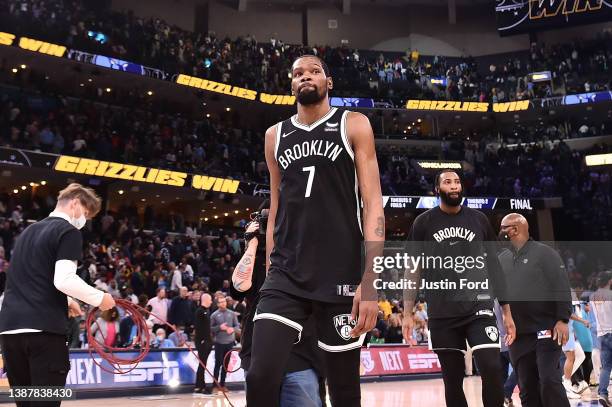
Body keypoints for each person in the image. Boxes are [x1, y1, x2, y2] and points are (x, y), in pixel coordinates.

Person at [246, 54, 384, 407]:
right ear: (291, 85)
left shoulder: (354, 124)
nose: (305, 76)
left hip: (341, 273)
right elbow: (276, 207)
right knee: (260, 374)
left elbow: (373, 205)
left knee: (344, 391)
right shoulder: (274, 136)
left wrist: (371, 279)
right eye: (297, 73)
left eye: (314, 71)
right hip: (287, 272)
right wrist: (269, 274)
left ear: (328, 81)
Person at [403, 170, 515, 407]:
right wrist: (407, 313)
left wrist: (506, 311)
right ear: (437, 189)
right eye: (447, 182)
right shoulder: (423, 223)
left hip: (479, 305)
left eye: (457, 182)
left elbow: (495, 267)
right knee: (452, 380)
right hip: (443, 311)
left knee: (492, 367)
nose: (454, 186)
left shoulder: (479, 219)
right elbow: (413, 270)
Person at [0, 183, 115, 406]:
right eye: (86, 213)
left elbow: (31, 278)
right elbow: (64, 279)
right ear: (75, 203)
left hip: (10, 333)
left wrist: (67, 300)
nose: (84, 221)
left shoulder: (27, 232)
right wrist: (100, 298)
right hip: (43, 334)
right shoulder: (67, 231)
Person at [231, 202, 325, 406]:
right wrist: (252, 244)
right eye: (266, 220)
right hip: (257, 354)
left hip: (301, 358)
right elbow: (239, 287)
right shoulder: (254, 255)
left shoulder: (306, 250)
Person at [498, 213, 572, 406]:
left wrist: (563, 320)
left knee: (549, 381)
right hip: (518, 335)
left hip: (546, 329)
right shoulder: (501, 259)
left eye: (504, 228)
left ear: (515, 229)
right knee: (527, 387)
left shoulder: (545, 253)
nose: (501, 232)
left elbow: (561, 287)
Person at [210, 295, 240, 393]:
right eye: (221, 302)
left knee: (225, 365)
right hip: (219, 343)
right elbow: (210, 329)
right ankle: (215, 385)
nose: (223, 303)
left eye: (224, 301)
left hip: (229, 343)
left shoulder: (232, 314)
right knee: (217, 364)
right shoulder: (214, 315)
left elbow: (237, 326)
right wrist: (219, 327)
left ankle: (223, 385)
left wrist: (233, 329)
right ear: (217, 304)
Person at [590, 273, 612, 407]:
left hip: (602, 334)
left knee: (606, 367)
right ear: (609, 281)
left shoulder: (593, 296)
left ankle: (603, 393)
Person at [194, 293, 213, 394]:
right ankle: (200, 386)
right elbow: (199, 328)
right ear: (205, 300)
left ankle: (200, 385)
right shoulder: (200, 311)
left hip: (207, 341)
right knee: (202, 364)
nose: (211, 302)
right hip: (202, 342)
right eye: (210, 300)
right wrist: (202, 340)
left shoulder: (207, 311)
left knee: (203, 364)